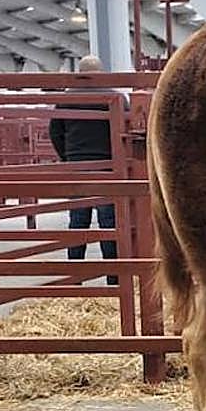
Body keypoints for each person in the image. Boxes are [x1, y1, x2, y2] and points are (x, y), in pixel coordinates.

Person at [48, 55, 124, 285]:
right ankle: (114, 278)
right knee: (108, 223)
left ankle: (76, 276)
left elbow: (55, 132)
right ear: (101, 73)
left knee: (78, 221)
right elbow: (126, 131)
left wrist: (68, 158)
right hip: (108, 166)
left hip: (78, 166)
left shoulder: (65, 99)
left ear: (79, 74)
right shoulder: (115, 97)